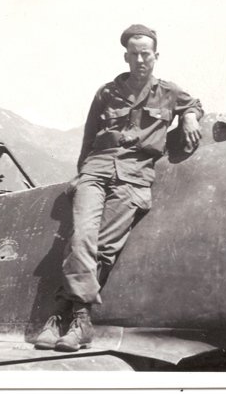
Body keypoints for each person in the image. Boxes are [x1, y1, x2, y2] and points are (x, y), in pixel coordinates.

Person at [35, 24, 204, 352]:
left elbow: (193, 104)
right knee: (81, 238)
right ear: (126, 56)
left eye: (147, 54)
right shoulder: (106, 93)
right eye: (135, 54)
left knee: (104, 248)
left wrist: (189, 118)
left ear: (156, 56)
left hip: (134, 177)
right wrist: (81, 172)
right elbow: (88, 136)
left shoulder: (168, 92)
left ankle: (60, 316)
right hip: (97, 171)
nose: (141, 59)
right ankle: (79, 322)